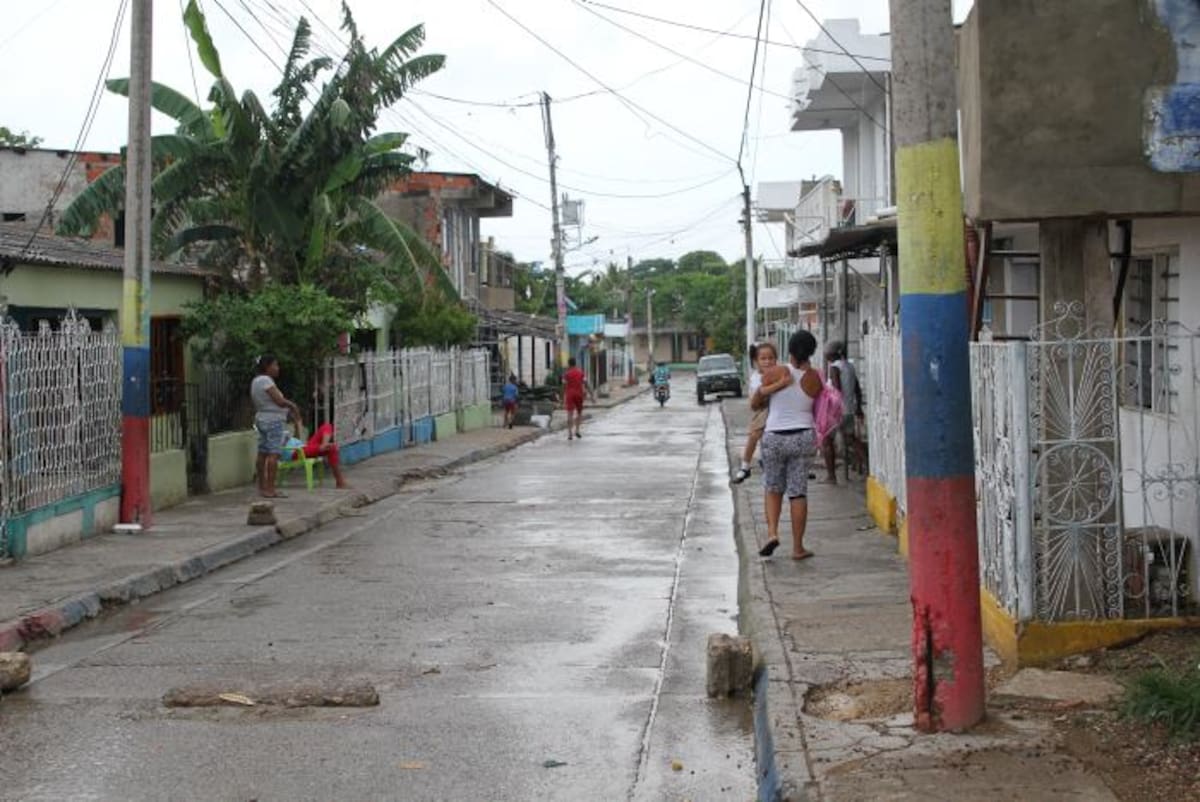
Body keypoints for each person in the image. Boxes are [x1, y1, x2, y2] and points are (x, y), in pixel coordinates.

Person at [753, 330, 822, 560]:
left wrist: (775, 386)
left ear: (789, 350)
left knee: (773, 488)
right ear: (812, 351)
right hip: (803, 436)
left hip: (774, 437)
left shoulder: (777, 372)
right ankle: (798, 548)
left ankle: (772, 533)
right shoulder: (816, 378)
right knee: (798, 492)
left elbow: (755, 403)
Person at [251, 354, 302, 499]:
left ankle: (262, 487)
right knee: (274, 453)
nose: (277, 368)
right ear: (267, 367)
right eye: (275, 365)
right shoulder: (266, 381)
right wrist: (293, 406)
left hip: (262, 419)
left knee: (262, 453)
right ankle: (270, 489)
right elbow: (279, 401)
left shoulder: (256, 381)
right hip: (273, 421)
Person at [732, 342, 777, 484]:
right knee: (754, 435)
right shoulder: (756, 377)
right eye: (763, 359)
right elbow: (757, 399)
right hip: (763, 410)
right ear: (756, 361)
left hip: (778, 410)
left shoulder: (781, 372)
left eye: (771, 358)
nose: (767, 361)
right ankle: (745, 466)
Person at [822, 341, 864, 484]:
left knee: (827, 441)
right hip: (849, 410)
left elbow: (836, 388)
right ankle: (867, 464)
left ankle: (831, 476)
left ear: (831, 354)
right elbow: (858, 389)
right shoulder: (850, 367)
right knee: (851, 439)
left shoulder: (834, 367)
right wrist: (858, 407)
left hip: (836, 411)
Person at [301, 420, 349, 489]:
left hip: (307, 448)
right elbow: (324, 445)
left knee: (332, 449)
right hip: (300, 451)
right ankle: (340, 481)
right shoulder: (328, 427)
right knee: (332, 447)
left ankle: (340, 481)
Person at [562, 357, 590, 440]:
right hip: (579, 394)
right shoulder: (581, 372)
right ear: (575, 363)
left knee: (570, 414)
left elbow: (563, 385)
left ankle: (570, 434)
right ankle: (577, 431)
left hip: (570, 394)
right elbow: (586, 383)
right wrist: (592, 396)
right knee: (579, 412)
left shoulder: (566, 374)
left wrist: (561, 397)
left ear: (569, 364)